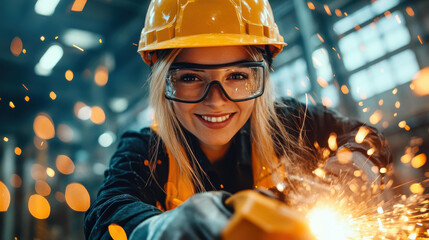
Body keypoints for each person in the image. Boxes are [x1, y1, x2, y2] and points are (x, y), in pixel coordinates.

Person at [84, 0, 391, 239]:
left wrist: (343, 179)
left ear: (263, 77)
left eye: (237, 76)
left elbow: (368, 140)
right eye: (190, 77)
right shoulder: (145, 152)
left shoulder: (289, 122)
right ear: (164, 83)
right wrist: (168, 229)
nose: (216, 100)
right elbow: (107, 216)